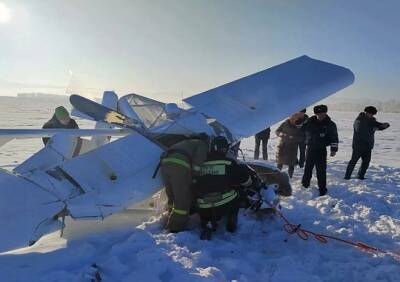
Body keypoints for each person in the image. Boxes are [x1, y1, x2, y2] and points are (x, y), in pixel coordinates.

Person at [193, 136, 252, 240]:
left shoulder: (201, 164)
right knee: (236, 196)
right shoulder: (228, 163)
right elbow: (245, 180)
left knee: (206, 212)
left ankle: (207, 224)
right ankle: (231, 221)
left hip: (203, 205)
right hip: (223, 204)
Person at [159, 134, 209, 233]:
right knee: (183, 198)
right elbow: (198, 163)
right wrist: (195, 177)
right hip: (179, 166)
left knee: (172, 196)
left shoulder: (185, 143)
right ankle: (176, 227)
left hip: (165, 164)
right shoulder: (202, 144)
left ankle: (170, 220)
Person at [301, 105, 338, 196]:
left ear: (326, 113)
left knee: (321, 170)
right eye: (318, 114)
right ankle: (305, 184)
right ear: (316, 114)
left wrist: (333, 149)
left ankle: (322, 188)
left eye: (322, 113)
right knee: (308, 168)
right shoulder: (309, 122)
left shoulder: (330, 124)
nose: (320, 115)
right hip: (310, 148)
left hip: (321, 149)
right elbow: (301, 130)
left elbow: (334, 137)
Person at [344, 106, 390, 180]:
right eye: (370, 114)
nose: (371, 115)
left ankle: (361, 176)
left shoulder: (372, 120)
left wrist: (385, 125)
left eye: (372, 114)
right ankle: (347, 176)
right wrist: (374, 128)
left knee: (366, 162)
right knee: (353, 161)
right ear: (366, 112)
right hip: (358, 145)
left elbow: (378, 125)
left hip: (368, 145)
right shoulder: (359, 120)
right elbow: (361, 130)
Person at [275, 113, 304, 178]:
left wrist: (294, 138)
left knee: (291, 164)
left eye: (294, 118)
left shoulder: (299, 125)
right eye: (292, 118)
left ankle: (290, 176)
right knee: (280, 163)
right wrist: (281, 134)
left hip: (292, 148)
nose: (293, 119)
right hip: (283, 146)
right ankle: (277, 176)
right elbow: (277, 131)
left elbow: (302, 137)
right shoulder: (284, 124)